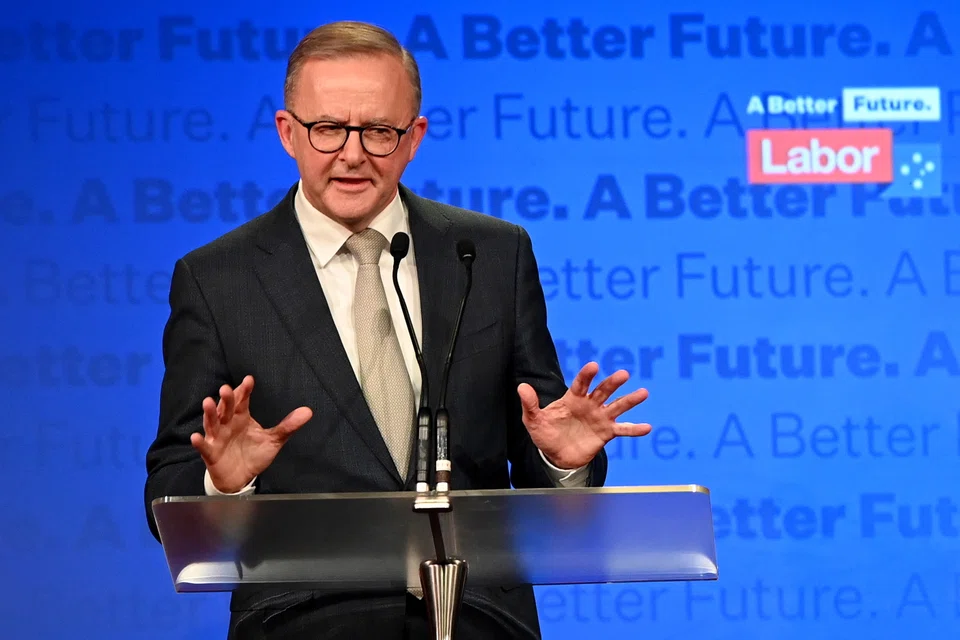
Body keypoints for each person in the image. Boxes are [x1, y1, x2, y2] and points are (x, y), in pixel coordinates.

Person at [144, 19, 652, 640]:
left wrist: (560, 460)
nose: (352, 153)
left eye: (378, 131)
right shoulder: (217, 279)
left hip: (477, 619)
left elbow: (538, 448)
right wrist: (225, 482)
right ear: (287, 133)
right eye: (328, 128)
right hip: (307, 623)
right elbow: (167, 487)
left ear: (413, 138)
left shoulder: (491, 255)